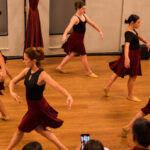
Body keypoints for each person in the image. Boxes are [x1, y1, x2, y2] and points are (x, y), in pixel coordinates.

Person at [6, 47, 73, 150]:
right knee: (41, 130)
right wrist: (12, 92)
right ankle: (63, 148)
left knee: (20, 130)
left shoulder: (42, 75)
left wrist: (68, 95)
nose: (24, 61)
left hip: (37, 108)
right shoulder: (26, 71)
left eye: (26, 59)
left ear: (34, 61)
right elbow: (12, 81)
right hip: (34, 107)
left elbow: (56, 85)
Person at [104, 14, 150, 101]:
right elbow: (126, 46)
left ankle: (107, 87)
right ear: (132, 23)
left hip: (133, 55)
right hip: (132, 56)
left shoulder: (132, 30)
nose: (139, 24)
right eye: (138, 23)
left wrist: (146, 42)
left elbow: (138, 36)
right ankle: (130, 95)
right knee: (133, 76)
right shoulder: (129, 33)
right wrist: (127, 58)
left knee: (118, 71)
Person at [56, 0, 103, 78]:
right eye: (83, 9)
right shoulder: (75, 18)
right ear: (78, 8)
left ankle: (60, 66)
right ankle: (89, 72)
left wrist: (100, 31)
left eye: (85, 8)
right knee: (83, 55)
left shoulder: (84, 16)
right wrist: (64, 35)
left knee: (72, 53)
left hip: (80, 38)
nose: (84, 10)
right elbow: (68, 27)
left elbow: (93, 24)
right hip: (76, 39)